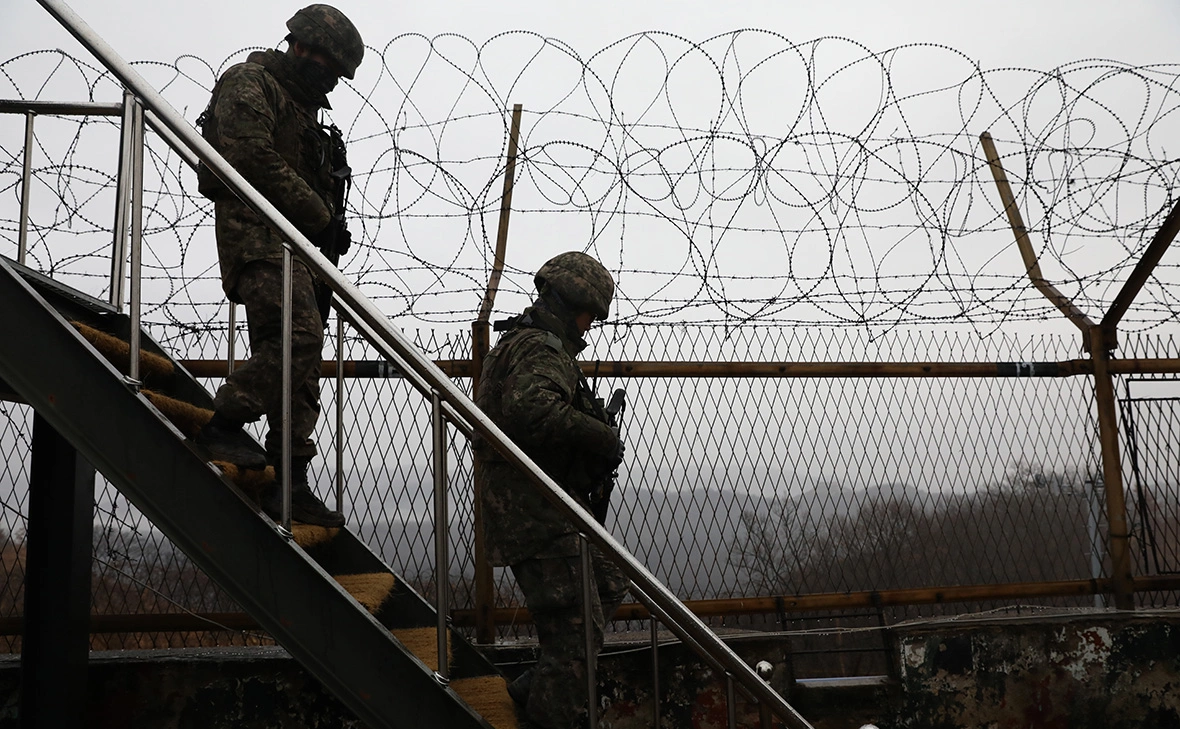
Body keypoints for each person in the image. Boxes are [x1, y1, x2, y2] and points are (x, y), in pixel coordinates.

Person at [190, 4, 364, 527]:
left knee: (302, 368)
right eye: (316, 55)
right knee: (296, 337)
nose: (321, 69)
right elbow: (247, 154)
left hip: (302, 253)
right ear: (298, 44)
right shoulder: (251, 82)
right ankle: (224, 423)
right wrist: (319, 214)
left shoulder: (308, 114)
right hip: (259, 238)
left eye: (331, 66)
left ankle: (290, 479)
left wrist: (329, 227)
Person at [474, 252, 630, 729]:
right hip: (534, 511)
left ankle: (537, 685)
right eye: (589, 315)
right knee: (576, 639)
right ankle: (550, 707)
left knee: (608, 582)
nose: (589, 326)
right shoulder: (539, 348)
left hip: (545, 508)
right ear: (571, 303)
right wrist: (600, 436)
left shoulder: (535, 345)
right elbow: (532, 411)